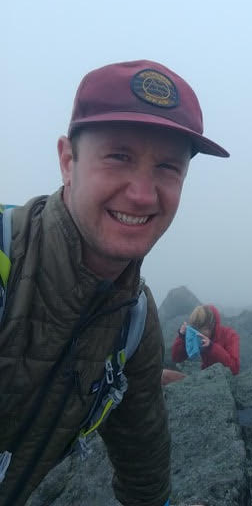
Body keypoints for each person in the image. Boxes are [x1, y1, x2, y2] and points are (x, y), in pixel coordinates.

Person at [0, 60, 229, 506]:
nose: (143, 194)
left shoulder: (134, 319)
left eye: (167, 167)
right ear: (68, 161)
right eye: (119, 156)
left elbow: (141, 451)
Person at [171, 305, 240, 375]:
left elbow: (234, 368)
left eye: (202, 329)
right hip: (204, 378)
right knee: (163, 375)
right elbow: (176, 358)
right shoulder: (197, 334)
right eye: (195, 329)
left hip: (223, 381)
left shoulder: (230, 335)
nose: (198, 333)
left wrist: (211, 347)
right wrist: (182, 337)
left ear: (212, 326)